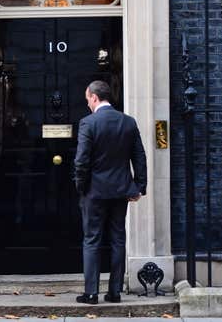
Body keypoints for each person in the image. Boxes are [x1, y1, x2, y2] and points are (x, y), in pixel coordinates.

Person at [73, 80, 147, 305]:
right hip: (121, 191)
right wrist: (139, 187)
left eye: (87, 99)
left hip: (94, 192)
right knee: (117, 239)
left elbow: (81, 161)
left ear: (94, 97)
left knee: (92, 240)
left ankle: (91, 293)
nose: (87, 104)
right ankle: (114, 292)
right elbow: (140, 157)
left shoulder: (89, 123)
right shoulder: (128, 122)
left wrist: (81, 187)